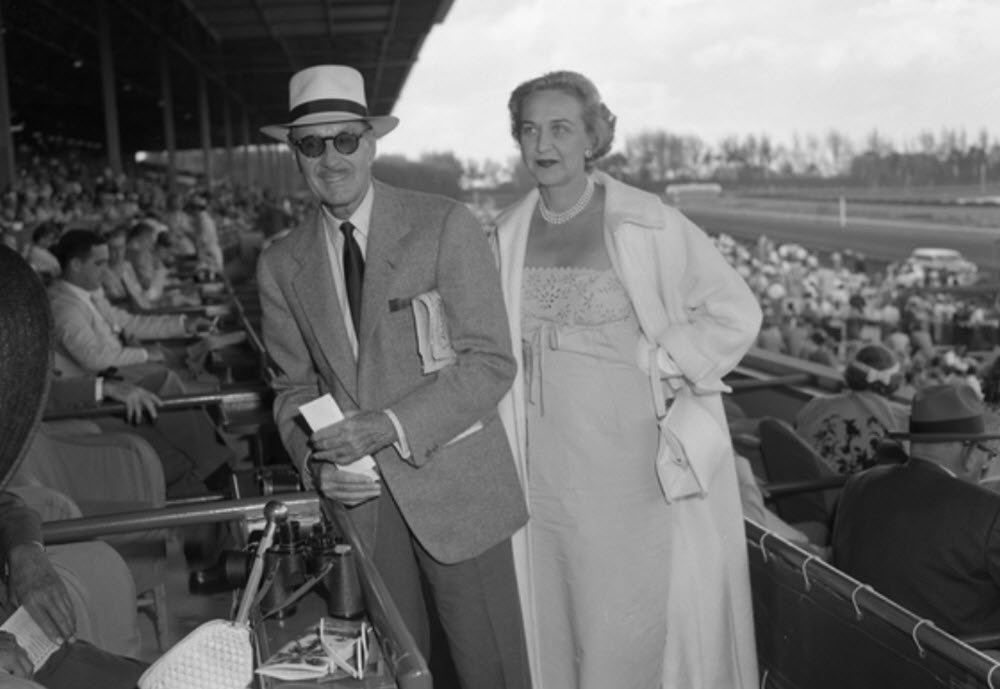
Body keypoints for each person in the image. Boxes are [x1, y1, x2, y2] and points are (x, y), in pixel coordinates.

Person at [257, 65, 530, 689]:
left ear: (372, 142)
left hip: (460, 492)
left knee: (488, 671)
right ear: (294, 154)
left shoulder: (444, 224)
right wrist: (315, 464)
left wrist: (388, 425)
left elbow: (491, 360)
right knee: (403, 672)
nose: (330, 158)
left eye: (344, 139)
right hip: (366, 508)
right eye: (311, 144)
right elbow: (292, 389)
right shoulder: (280, 263)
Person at [492, 70, 760, 689]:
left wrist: (662, 361)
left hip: (629, 459)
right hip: (540, 459)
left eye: (561, 127)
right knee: (557, 608)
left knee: (624, 614)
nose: (543, 143)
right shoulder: (506, 233)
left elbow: (735, 312)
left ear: (593, 136)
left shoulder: (647, 221)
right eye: (529, 129)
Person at [831, 383, 1000, 637]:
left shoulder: (858, 485)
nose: (987, 463)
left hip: (862, 644)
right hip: (960, 665)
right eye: (987, 453)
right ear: (967, 449)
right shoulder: (989, 513)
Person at [47, 229, 209, 380]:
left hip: (126, 363)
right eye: (99, 264)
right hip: (113, 380)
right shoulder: (63, 307)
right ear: (76, 265)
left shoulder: (90, 293)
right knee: (190, 376)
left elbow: (128, 322)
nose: (105, 270)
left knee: (198, 356)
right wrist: (144, 354)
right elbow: (94, 358)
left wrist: (183, 324)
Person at [794, 343, 910, 474]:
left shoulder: (817, 405)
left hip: (804, 484)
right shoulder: (899, 422)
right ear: (894, 381)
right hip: (848, 492)